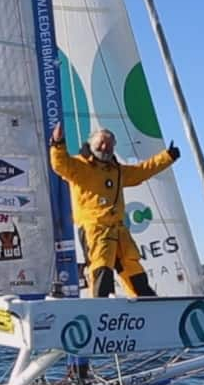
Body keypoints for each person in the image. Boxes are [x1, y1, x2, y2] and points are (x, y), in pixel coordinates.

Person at [49, 123, 180, 297]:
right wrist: (57, 143)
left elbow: (141, 171)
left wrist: (167, 157)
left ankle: (146, 300)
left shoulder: (116, 171)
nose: (105, 147)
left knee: (132, 267)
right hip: (95, 229)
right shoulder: (80, 167)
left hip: (118, 230)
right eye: (101, 143)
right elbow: (60, 164)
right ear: (91, 144)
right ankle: (101, 305)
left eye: (110, 144)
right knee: (101, 268)